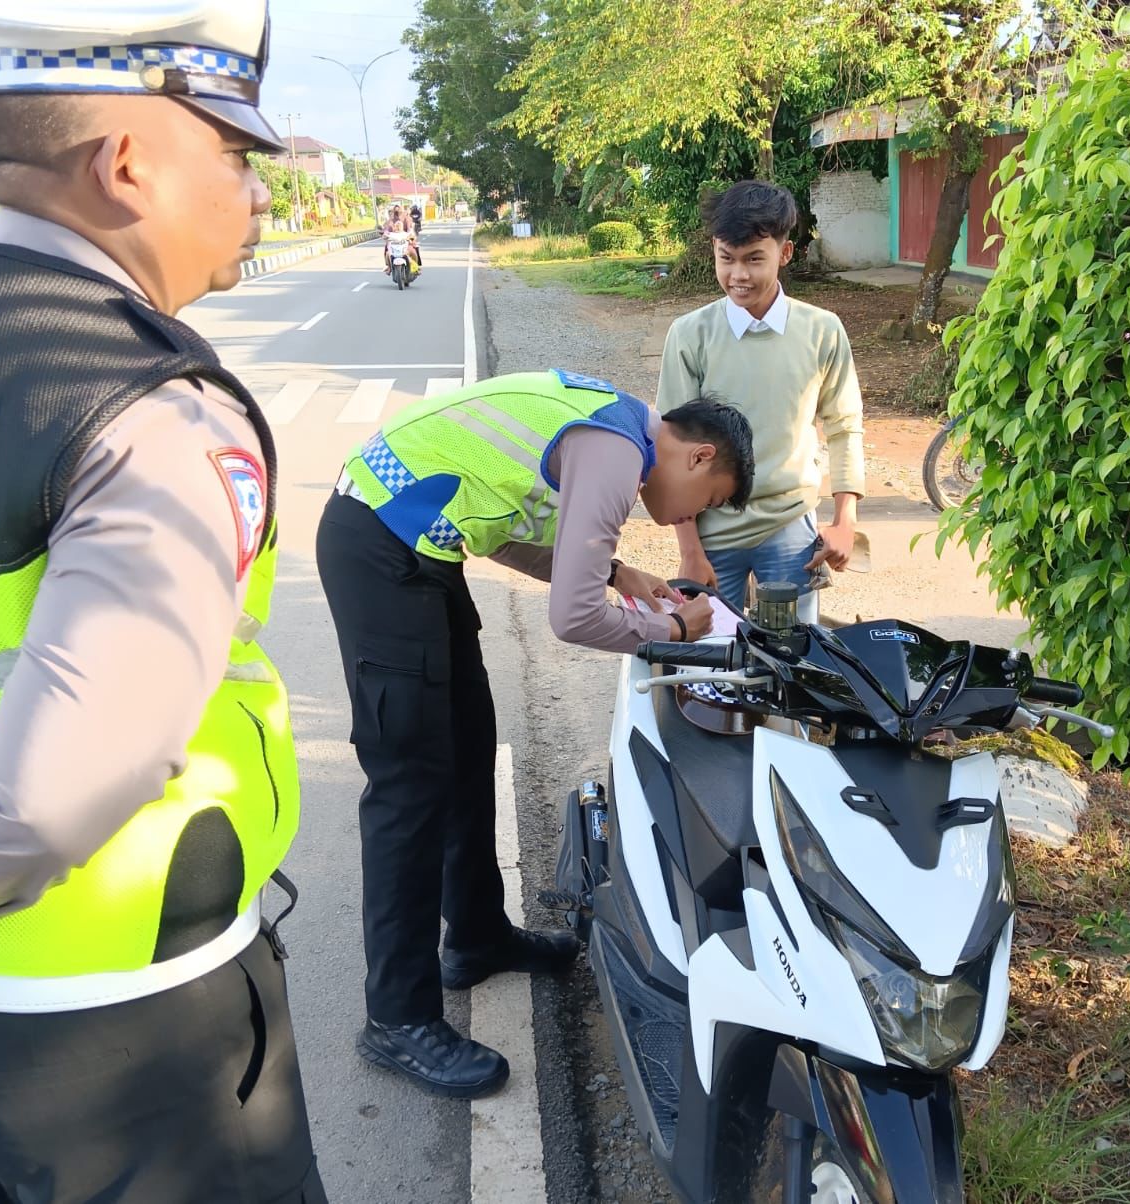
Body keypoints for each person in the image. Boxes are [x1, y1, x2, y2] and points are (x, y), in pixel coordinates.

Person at [0, 2, 325, 1201]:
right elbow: (49, 801)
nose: (255, 193)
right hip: (131, 1015)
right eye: (236, 156)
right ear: (127, 162)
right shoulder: (146, 408)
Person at [316, 370, 753, 1097]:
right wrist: (672, 628)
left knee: (466, 748)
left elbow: (504, 536)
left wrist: (618, 573)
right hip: (380, 550)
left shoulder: (615, 424)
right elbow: (572, 620)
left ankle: (478, 935)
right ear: (699, 458)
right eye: (704, 503)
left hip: (419, 550)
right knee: (410, 785)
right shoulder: (617, 450)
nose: (687, 517)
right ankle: (397, 1017)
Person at [658, 181, 865, 622]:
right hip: (713, 535)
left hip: (790, 530)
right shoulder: (689, 335)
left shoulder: (822, 330)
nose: (739, 275)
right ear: (713, 251)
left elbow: (845, 425)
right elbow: (670, 451)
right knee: (714, 664)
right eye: (726, 259)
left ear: (784, 254)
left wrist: (845, 519)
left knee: (794, 663)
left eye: (754, 259)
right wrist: (689, 550)